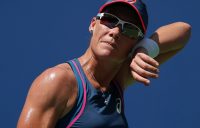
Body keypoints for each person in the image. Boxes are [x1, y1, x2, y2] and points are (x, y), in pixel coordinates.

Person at [17, 0, 191, 128]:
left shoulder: (117, 82)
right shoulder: (57, 81)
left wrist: (144, 49)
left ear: (134, 43)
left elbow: (184, 31)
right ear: (93, 24)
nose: (115, 32)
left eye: (129, 29)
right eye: (109, 20)